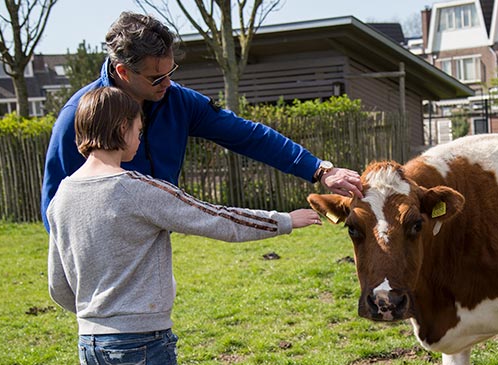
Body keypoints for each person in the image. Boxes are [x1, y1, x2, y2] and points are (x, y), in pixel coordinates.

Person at [46, 86, 322, 365]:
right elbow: (215, 218)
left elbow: (59, 285)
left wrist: (95, 316)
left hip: (90, 344)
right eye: (139, 130)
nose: (141, 138)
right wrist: (285, 221)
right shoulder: (139, 189)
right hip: (144, 343)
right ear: (123, 129)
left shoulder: (61, 196)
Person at [41, 11, 363, 232]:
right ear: (124, 72)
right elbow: (57, 206)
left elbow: (247, 135)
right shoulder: (78, 117)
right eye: (156, 77)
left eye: (171, 72)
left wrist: (319, 169)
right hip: (107, 251)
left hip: (154, 247)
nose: (167, 83)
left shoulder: (177, 102)